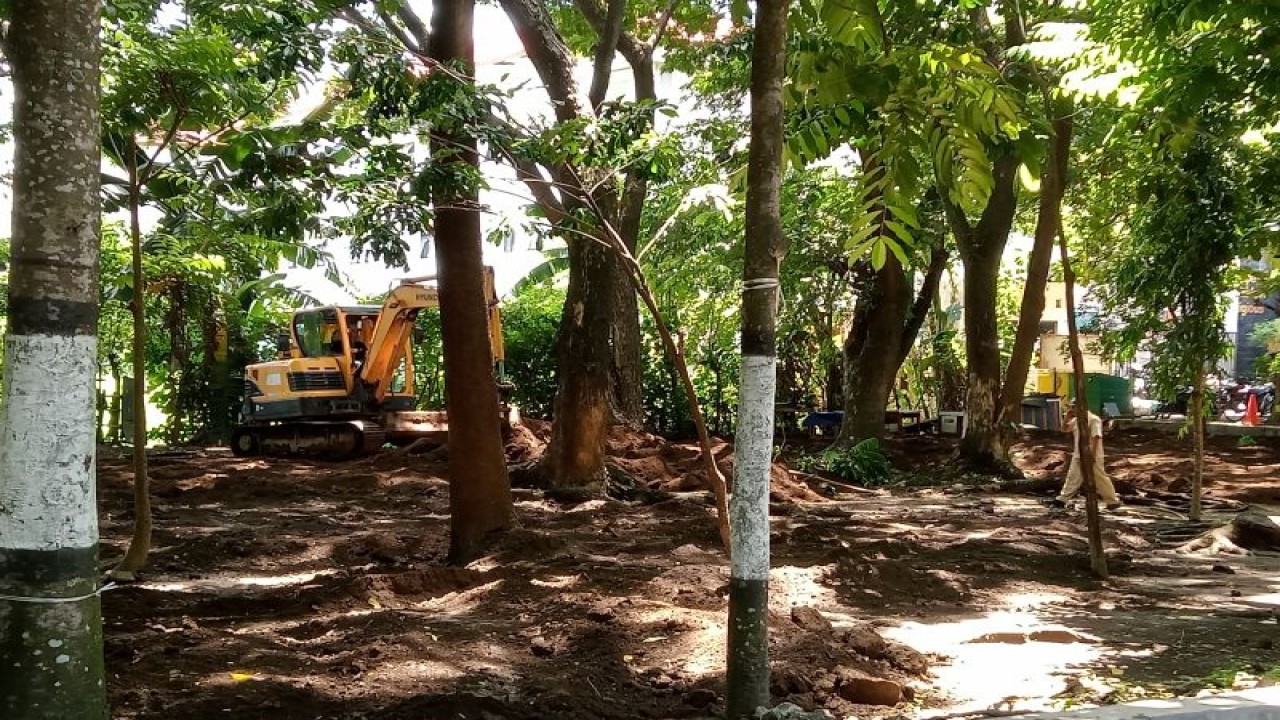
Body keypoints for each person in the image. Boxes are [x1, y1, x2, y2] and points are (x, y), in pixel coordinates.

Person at [1054, 407, 1121, 510]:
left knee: (1100, 477)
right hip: (1078, 454)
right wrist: (1067, 417)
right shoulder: (1076, 420)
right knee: (1073, 476)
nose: (1072, 410)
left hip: (1093, 455)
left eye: (1073, 407)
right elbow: (1064, 429)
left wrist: (1092, 455)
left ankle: (1112, 501)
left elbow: (1096, 437)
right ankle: (1062, 499)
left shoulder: (1094, 419)